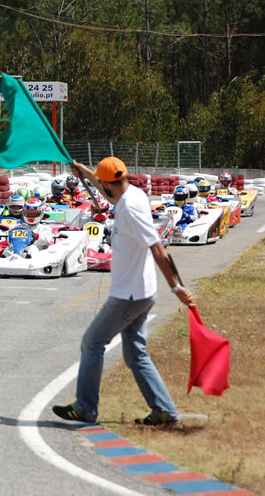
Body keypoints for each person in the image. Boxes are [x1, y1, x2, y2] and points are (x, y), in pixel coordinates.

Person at [52, 156, 194, 426]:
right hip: (141, 291)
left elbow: (158, 249)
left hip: (130, 295)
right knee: (135, 353)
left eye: (101, 182)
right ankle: (164, 410)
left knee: (92, 342)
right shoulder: (133, 193)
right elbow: (110, 190)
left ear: (109, 184)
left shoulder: (130, 209)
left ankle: (85, 407)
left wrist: (177, 287)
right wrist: (85, 173)